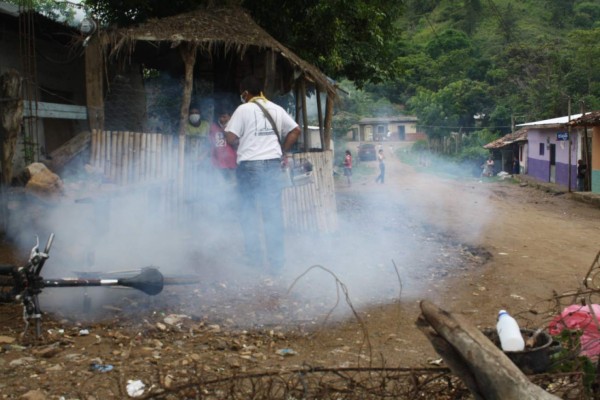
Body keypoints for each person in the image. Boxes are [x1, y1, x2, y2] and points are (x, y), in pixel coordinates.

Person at [225, 76, 301, 274]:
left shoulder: (243, 109)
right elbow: (295, 130)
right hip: (273, 166)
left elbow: (230, 136)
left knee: (248, 212)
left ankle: (255, 259)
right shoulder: (276, 108)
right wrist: (282, 150)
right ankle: (277, 263)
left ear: (245, 93)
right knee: (272, 214)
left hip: (250, 166)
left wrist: (239, 145)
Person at [209, 105, 237, 182]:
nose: (222, 119)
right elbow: (210, 144)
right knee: (219, 188)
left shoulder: (235, 128)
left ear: (230, 117)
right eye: (220, 117)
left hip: (232, 164)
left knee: (232, 186)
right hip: (217, 164)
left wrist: (226, 131)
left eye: (224, 117)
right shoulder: (213, 127)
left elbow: (237, 144)